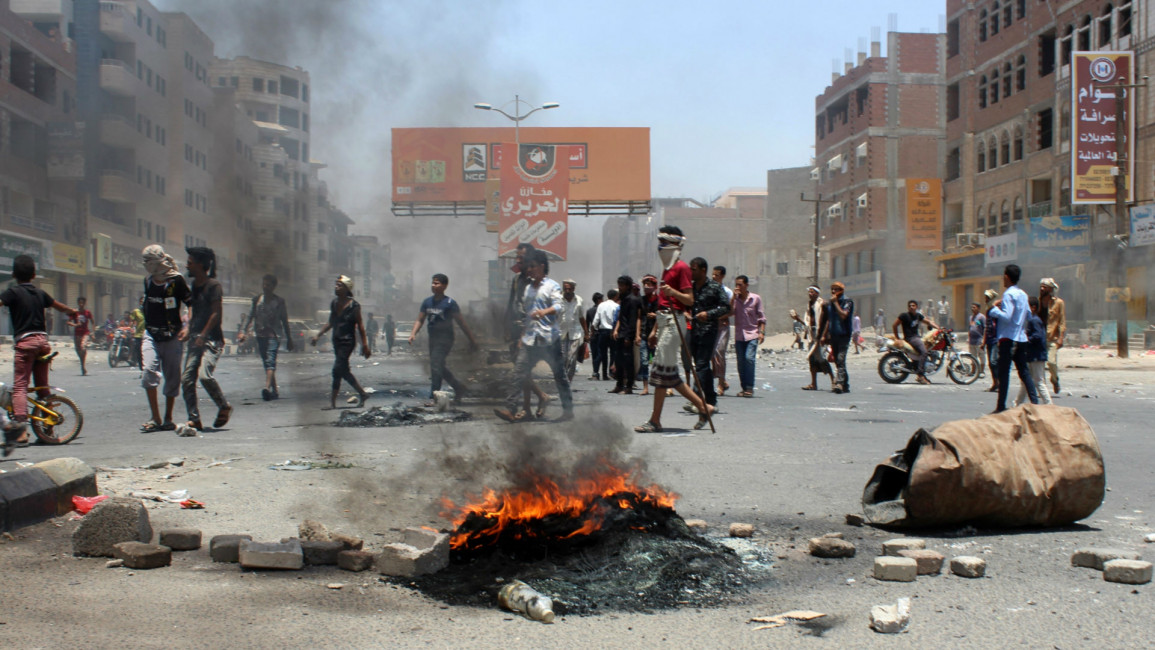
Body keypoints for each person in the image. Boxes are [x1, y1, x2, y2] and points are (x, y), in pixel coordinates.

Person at [635, 226, 714, 433]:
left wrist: (673, 292)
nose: (660, 247)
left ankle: (655, 420)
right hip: (664, 321)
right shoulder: (667, 269)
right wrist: (654, 331)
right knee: (668, 374)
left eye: (664, 243)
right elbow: (662, 304)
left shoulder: (682, 268)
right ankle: (704, 407)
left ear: (674, 246)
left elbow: (689, 299)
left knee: (662, 372)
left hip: (674, 321)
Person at [0, 255, 77, 454]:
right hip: (42, 343)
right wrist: (72, 312)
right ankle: (48, 431)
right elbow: (58, 305)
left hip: (25, 345)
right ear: (34, 275)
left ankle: (21, 432)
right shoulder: (40, 293)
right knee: (42, 388)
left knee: (20, 387)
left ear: (14, 274)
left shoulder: (13, 292)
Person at [494, 250, 574, 422]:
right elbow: (527, 314)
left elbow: (559, 306)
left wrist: (544, 312)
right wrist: (523, 335)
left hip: (549, 340)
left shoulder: (552, 286)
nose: (529, 270)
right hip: (530, 340)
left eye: (532, 266)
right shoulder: (528, 288)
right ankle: (510, 409)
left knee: (560, 376)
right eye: (528, 266)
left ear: (542, 266)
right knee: (518, 374)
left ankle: (568, 411)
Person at [139, 245, 190, 432]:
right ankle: (155, 417)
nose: (146, 266)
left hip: (172, 336)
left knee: (172, 377)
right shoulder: (147, 281)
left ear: (155, 262)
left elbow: (190, 303)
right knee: (148, 373)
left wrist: (188, 327)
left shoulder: (176, 281)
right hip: (151, 334)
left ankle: (168, 418)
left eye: (148, 262)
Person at [181, 247, 232, 430]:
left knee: (204, 376)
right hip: (196, 339)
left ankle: (224, 406)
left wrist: (203, 334)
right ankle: (194, 418)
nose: (187, 265)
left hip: (212, 340)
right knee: (187, 379)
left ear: (200, 265)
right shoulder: (194, 286)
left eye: (190, 262)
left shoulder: (214, 286)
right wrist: (188, 329)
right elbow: (193, 309)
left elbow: (216, 314)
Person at [408, 273, 478, 405]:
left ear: (445, 286)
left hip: (445, 338)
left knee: (436, 365)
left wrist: (472, 340)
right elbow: (420, 319)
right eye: (433, 283)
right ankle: (458, 387)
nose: (434, 285)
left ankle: (434, 397)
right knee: (438, 366)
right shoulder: (427, 302)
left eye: (437, 283)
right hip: (433, 338)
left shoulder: (450, 303)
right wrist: (413, 333)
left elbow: (461, 323)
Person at [313, 275, 371, 409]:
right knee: (343, 371)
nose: (336, 287)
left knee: (337, 369)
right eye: (336, 284)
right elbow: (331, 322)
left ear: (346, 289)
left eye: (339, 285)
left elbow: (361, 326)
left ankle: (333, 403)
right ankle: (362, 394)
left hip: (348, 342)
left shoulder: (354, 306)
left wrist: (365, 346)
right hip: (337, 341)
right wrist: (318, 335)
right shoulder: (334, 303)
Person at [684, 258, 730, 427]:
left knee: (702, 366)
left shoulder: (715, 287)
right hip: (694, 330)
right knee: (700, 366)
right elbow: (686, 304)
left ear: (703, 270)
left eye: (694, 269)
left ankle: (706, 405)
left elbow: (726, 307)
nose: (691, 272)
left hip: (708, 331)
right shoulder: (691, 288)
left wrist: (709, 314)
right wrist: (687, 313)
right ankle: (709, 402)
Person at [988, 264, 1038, 413]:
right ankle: (1035, 403)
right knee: (1024, 372)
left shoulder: (1008, 294)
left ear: (1007, 277)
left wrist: (994, 310)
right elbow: (1029, 315)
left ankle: (1001, 406)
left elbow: (1007, 316)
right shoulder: (1023, 294)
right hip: (1021, 338)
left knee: (1004, 373)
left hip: (1008, 339)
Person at [238, 274, 293, 401]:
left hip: (274, 335)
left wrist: (289, 338)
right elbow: (249, 316)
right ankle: (275, 390)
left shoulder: (279, 302)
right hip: (261, 335)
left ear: (274, 286)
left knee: (270, 360)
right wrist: (243, 332)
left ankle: (267, 388)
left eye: (268, 285)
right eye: (264, 284)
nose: (265, 287)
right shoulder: (257, 300)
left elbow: (284, 320)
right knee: (267, 362)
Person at [1015, 296, 1052, 406]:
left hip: (1037, 356)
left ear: (1033, 307)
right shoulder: (1031, 320)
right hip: (1032, 355)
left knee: (1039, 381)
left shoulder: (1034, 320)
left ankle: (1049, 405)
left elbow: (1038, 335)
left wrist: (1026, 339)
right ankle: (1016, 404)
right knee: (1026, 381)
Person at [731, 274, 764, 397]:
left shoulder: (755, 299)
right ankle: (744, 387)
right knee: (741, 362)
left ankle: (749, 387)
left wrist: (762, 332)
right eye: (736, 285)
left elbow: (761, 317)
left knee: (749, 359)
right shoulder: (735, 300)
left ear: (746, 285)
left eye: (740, 284)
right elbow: (730, 312)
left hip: (752, 334)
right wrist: (733, 299)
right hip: (739, 335)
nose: (738, 287)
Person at [796, 286, 834, 391]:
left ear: (817, 293)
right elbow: (808, 322)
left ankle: (833, 380)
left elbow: (827, 321)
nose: (810, 294)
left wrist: (823, 335)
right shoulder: (809, 305)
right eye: (809, 292)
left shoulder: (823, 304)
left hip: (820, 333)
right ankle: (813, 383)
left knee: (821, 358)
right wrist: (797, 318)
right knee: (812, 359)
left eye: (812, 292)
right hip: (812, 334)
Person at [611, 276, 643, 394]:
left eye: (622, 285)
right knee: (618, 361)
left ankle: (628, 386)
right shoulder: (624, 300)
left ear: (628, 286)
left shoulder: (633, 300)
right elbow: (621, 317)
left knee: (628, 362)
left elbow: (633, 320)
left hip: (627, 335)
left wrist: (629, 337)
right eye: (619, 284)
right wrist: (616, 330)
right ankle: (619, 385)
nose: (620, 287)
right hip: (621, 334)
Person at [894, 299, 938, 385]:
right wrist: (897, 338)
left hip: (917, 337)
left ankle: (919, 369)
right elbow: (895, 325)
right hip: (911, 338)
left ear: (916, 307)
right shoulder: (904, 316)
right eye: (910, 306)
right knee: (924, 352)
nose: (911, 307)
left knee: (929, 348)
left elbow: (928, 322)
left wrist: (938, 328)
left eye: (913, 305)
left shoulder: (918, 316)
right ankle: (920, 376)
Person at [821, 282, 855, 394]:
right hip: (834, 334)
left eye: (836, 289)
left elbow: (843, 315)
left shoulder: (847, 302)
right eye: (832, 289)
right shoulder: (830, 303)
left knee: (841, 359)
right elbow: (829, 320)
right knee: (837, 360)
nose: (833, 292)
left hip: (844, 335)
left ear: (841, 290)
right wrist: (824, 335)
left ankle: (839, 383)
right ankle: (845, 383)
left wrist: (835, 303)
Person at [1039, 278, 1066, 396]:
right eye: (1041, 286)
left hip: (1052, 338)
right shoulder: (1038, 302)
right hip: (1039, 337)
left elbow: (1062, 321)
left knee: (1051, 362)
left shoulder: (1059, 303)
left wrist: (1061, 338)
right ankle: (1042, 389)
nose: (1042, 288)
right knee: (1039, 365)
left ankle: (1055, 379)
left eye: (1045, 286)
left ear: (1050, 289)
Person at [558, 279, 587, 383]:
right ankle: (563, 379)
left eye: (569, 289)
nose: (567, 291)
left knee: (572, 358)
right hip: (561, 333)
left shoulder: (579, 300)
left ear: (573, 289)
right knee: (563, 358)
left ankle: (568, 380)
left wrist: (586, 333)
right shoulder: (558, 300)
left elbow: (581, 318)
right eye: (565, 289)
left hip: (575, 334)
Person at [711, 265, 733, 395]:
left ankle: (720, 384)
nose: (714, 277)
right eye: (713, 275)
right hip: (711, 325)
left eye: (717, 275)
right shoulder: (709, 290)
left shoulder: (727, 292)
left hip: (722, 325)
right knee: (712, 354)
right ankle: (722, 379)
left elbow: (731, 310)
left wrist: (721, 316)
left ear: (722, 276)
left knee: (720, 352)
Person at [638, 275, 659, 396]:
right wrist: (638, 334)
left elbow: (665, 315)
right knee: (644, 361)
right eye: (645, 284)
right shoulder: (642, 300)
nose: (646, 287)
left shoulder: (660, 300)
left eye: (649, 284)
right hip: (644, 334)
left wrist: (656, 316)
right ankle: (645, 387)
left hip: (657, 335)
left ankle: (659, 387)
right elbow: (639, 318)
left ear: (654, 286)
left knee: (658, 362)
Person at [590, 289, 619, 381]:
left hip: (602, 331)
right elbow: (617, 319)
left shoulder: (601, 305)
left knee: (602, 353)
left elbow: (596, 320)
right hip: (613, 331)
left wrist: (593, 330)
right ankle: (611, 372)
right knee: (613, 352)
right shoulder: (617, 306)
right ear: (615, 297)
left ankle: (602, 374)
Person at [66, 296, 93, 375]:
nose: (81, 304)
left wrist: (93, 333)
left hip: (85, 333)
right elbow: (68, 322)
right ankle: (82, 365)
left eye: (83, 303)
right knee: (78, 350)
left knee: (83, 347)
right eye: (80, 302)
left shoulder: (87, 312)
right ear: (78, 303)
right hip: (77, 333)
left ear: (85, 303)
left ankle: (83, 365)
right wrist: (75, 325)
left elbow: (92, 322)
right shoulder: (74, 312)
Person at [982, 289, 1000, 392]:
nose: (986, 299)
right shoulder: (988, 311)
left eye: (988, 297)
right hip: (989, 339)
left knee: (994, 362)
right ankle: (995, 383)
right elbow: (987, 327)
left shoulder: (996, 309)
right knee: (990, 363)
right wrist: (983, 341)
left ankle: (999, 382)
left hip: (995, 339)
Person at [585, 292, 603, 379]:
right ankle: (597, 372)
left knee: (595, 354)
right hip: (600, 333)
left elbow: (587, 324)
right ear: (599, 300)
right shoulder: (602, 310)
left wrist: (587, 335)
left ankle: (595, 372)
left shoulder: (589, 311)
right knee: (601, 353)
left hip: (593, 334)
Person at [967, 302, 986, 378]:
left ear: (978, 308)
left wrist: (984, 340)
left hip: (979, 340)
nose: (972, 309)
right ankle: (973, 371)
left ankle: (981, 371)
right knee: (972, 356)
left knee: (981, 356)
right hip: (972, 340)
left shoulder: (982, 317)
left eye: (974, 307)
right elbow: (970, 328)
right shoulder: (971, 317)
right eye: (972, 307)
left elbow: (985, 329)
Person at [129, 299, 145, 369]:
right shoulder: (136, 311)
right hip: (138, 335)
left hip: (147, 335)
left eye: (144, 302)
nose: (142, 303)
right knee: (139, 352)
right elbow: (132, 321)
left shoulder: (149, 311)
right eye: (141, 302)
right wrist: (131, 328)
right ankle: (141, 368)